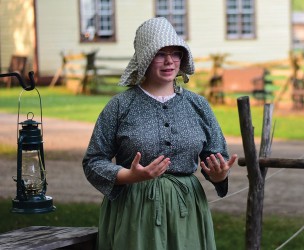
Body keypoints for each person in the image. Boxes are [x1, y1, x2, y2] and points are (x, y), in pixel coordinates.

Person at [82, 17, 238, 250]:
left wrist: (218, 175)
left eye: (175, 53)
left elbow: (215, 157)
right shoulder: (120, 106)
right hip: (135, 210)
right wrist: (128, 176)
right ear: (145, 57)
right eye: (160, 54)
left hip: (187, 210)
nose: (169, 61)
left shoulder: (198, 105)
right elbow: (93, 161)